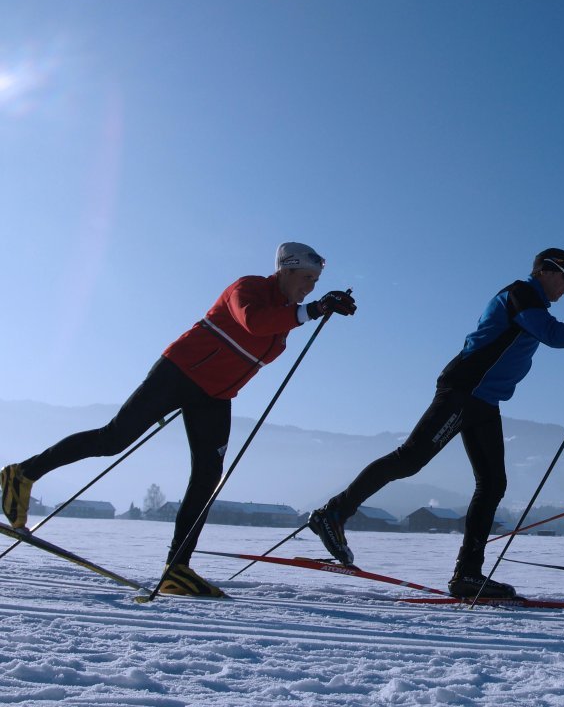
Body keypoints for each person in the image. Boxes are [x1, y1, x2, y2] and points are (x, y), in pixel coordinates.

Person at [1, 242, 356, 597]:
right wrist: (313, 310)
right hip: (179, 373)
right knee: (112, 440)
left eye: (316, 281)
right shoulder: (246, 288)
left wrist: (313, 310)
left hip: (215, 397)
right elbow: (252, 322)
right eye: (306, 277)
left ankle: (177, 569)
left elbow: (268, 331)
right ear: (285, 270)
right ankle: (22, 474)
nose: (310, 286)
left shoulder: (287, 315)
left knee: (208, 477)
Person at [308, 248, 564, 598]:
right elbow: (555, 336)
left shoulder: (531, 301)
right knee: (410, 460)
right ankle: (332, 514)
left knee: (493, 483)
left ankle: (467, 575)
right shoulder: (522, 293)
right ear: (547, 270)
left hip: (483, 401)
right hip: (464, 391)